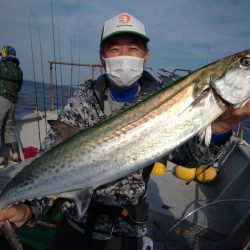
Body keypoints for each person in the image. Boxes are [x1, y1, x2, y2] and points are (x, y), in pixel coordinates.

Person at [0, 13, 250, 250]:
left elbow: (192, 158)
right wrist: (28, 208)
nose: (124, 55)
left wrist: (221, 125)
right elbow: (52, 162)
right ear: (102, 57)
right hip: (74, 223)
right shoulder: (82, 100)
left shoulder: (163, 96)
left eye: (133, 47)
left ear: (146, 56)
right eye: (114, 48)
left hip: (125, 229)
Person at [0, 45, 23, 168]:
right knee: (9, 128)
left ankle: (1, 159)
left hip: (1, 99)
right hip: (12, 102)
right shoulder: (19, 70)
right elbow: (19, 88)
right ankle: (15, 156)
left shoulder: (2, 65)